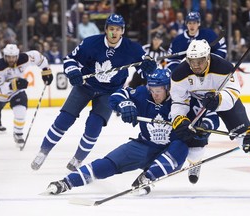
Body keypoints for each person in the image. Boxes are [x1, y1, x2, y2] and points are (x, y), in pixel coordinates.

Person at [31, 14, 157, 171]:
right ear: (106, 29)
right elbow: (70, 59)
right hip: (86, 86)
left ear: (122, 31)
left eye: (118, 30)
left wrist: (149, 69)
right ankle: (43, 151)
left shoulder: (132, 48)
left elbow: (144, 69)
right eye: (111, 29)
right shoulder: (91, 43)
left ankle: (78, 158)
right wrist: (73, 72)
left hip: (110, 92)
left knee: (94, 125)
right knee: (64, 119)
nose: (114, 33)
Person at [44, 68, 190, 195]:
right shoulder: (142, 94)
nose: (154, 95)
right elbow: (117, 95)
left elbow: (201, 118)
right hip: (144, 146)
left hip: (170, 152)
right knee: (108, 164)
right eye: (151, 90)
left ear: (168, 87)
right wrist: (125, 104)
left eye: (158, 91)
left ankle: (147, 178)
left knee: (182, 146)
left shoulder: (180, 99)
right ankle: (66, 182)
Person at [170, 39, 250, 179]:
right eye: (192, 61)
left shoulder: (224, 68)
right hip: (198, 102)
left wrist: (219, 100)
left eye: (200, 61)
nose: (196, 65)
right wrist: (179, 118)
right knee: (193, 139)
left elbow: (234, 92)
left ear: (208, 57)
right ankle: (194, 163)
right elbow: (179, 101)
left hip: (223, 101)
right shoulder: (179, 74)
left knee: (247, 140)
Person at [0, 44, 53, 147]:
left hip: (17, 92)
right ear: (4, 56)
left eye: (13, 56)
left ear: (17, 55)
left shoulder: (24, 58)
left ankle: (18, 133)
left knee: (21, 111)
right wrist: (12, 85)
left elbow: (37, 56)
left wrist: (46, 70)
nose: (11, 59)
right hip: (0, 96)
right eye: (8, 57)